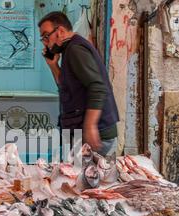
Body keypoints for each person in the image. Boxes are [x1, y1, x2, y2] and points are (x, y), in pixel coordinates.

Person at [38, 12, 119, 156]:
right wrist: (53, 65)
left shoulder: (75, 49)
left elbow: (98, 87)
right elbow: (66, 88)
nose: (45, 42)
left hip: (95, 133)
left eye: (46, 36)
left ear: (60, 31)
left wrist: (90, 126)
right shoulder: (69, 50)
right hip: (81, 132)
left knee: (88, 177)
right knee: (76, 175)